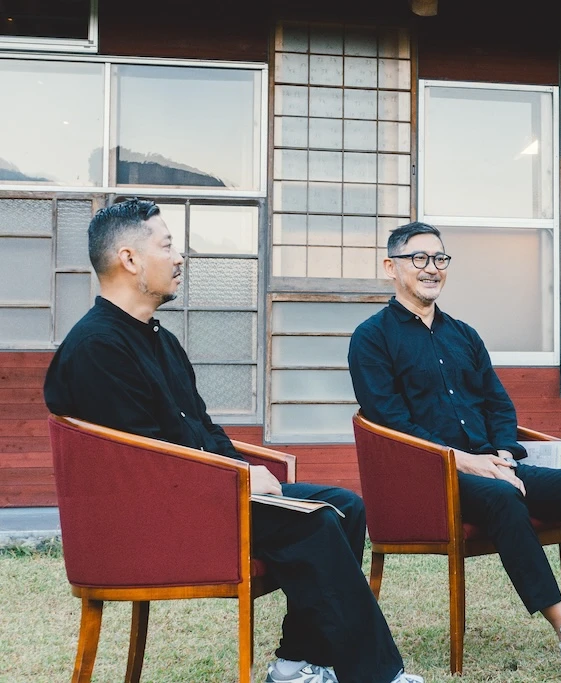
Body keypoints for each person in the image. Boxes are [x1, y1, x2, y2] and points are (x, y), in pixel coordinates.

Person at [43, 199, 422, 683]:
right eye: (167, 245)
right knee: (316, 524)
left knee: (344, 506)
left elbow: (199, 429)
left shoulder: (158, 339)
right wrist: (240, 476)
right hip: (158, 519)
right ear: (129, 259)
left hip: (200, 495)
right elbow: (146, 459)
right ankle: (376, 675)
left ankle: (293, 663)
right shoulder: (98, 346)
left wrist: (243, 469)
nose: (179, 257)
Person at [348, 221, 561, 683]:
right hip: (429, 479)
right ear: (391, 267)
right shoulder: (371, 338)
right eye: (419, 258)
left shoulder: (463, 335)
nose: (431, 268)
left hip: (492, 464)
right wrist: (466, 461)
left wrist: (503, 453)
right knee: (502, 497)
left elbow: (497, 403)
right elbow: (391, 423)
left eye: (440, 258)